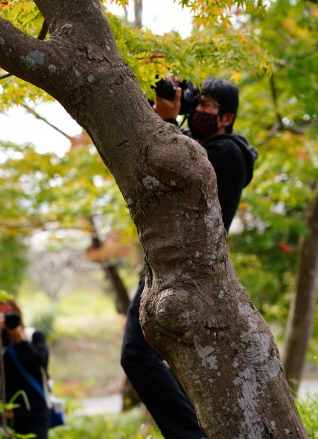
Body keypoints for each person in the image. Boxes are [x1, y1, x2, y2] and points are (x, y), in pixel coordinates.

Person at [120, 77, 258, 439]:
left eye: (207, 105)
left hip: (187, 273)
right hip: (165, 268)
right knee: (158, 359)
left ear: (226, 118)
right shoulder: (197, 145)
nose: (197, 109)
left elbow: (173, 171)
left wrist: (165, 123)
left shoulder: (227, 153)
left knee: (137, 355)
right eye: (196, 102)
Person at [0, 299, 50, 438]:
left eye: (10, 314)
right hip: (7, 410)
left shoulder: (33, 336)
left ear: (18, 314)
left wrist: (21, 340)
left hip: (36, 409)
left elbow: (39, 362)